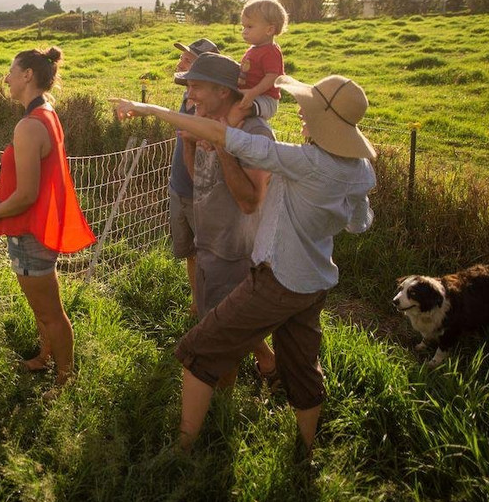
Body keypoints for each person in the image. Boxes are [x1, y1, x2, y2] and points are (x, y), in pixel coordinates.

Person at [110, 73, 376, 457]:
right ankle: (306, 451)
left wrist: (148, 108)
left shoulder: (303, 161)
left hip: (278, 280)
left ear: (326, 121)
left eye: (309, 110)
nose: (301, 113)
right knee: (302, 367)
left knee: (198, 350)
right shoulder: (359, 171)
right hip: (315, 282)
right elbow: (358, 222)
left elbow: (223, 137)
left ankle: (182, 452)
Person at [0, 47, 96, 388]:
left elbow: (27, 195)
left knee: (51, 313)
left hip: (30, 233)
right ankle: (45, 358)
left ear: (27, 75)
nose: (7, 78)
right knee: (43, 309)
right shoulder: (47, 112)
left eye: (11, 71)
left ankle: (65, 379)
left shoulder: (28, 126)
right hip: (38, 228)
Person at [173, 51, 277, 388]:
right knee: (214, 322)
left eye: (197, 87)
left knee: (220, 339)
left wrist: (221, 147)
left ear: (222, 91)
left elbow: (250, 202)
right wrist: (189, 144)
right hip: (208, 244)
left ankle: (222, 405)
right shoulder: (210, 122)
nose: (190, 96)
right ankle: (265, 364)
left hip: (234, 252)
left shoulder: (255, 133)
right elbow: (201, 182)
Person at [169, 38, 219, 316]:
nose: (180, 63)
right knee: (191, 252)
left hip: (203, 194)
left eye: (187, 60)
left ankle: (214, 311)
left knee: (209, 256)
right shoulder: (188, 94)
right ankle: (199, 302)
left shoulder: (214, 107)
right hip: (180, 186)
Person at [234, 0, 288, 121]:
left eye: (249, 27)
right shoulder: (254, 49)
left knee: (237, 111)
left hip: (265, 99)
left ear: (269, 30)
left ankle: (224, 134)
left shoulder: (270, 51)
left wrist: (252, 93)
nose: (244, 31)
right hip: (251, 95)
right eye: (243, 27)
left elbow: (272, 77)